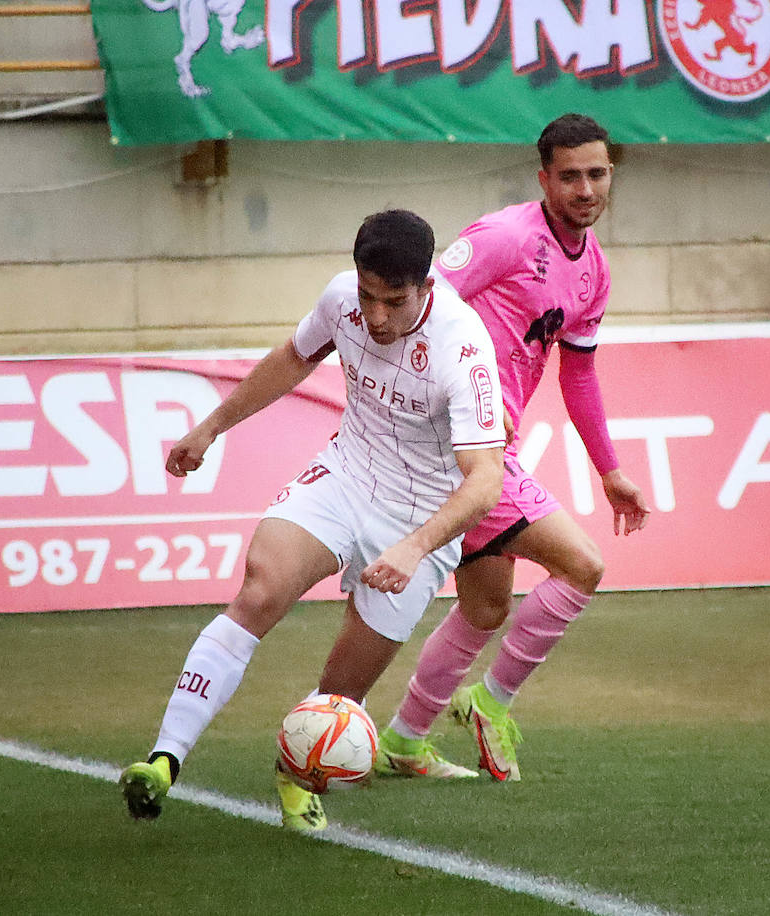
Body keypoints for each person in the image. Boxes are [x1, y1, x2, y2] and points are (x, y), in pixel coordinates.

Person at [119, 209, 505, 832]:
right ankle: (164, 760)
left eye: (394, 302)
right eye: (367, 296)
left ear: (426, 288)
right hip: (344, 477)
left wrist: (414, 546)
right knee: (260, 589)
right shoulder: (340, 301)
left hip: (422, 518)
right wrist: (212, 426)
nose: (376, 316)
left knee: (338, 697)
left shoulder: (463, 348)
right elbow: (292, 360)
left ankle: (292, 771)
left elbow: (486, 478)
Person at [373, 114, 651, 782]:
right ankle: (490, 702)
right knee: (582, 566)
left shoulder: (595, 274)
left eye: (597, 174)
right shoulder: (503, 237)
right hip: (455, 447)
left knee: (486, 607)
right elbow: (420, 307)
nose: (585, 189)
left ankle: (405, 742)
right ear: (544, 178)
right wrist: (436, 398)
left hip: (497, 449)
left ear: (611, 174)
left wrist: (609, 472)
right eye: (570, 176)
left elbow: (577, 373)